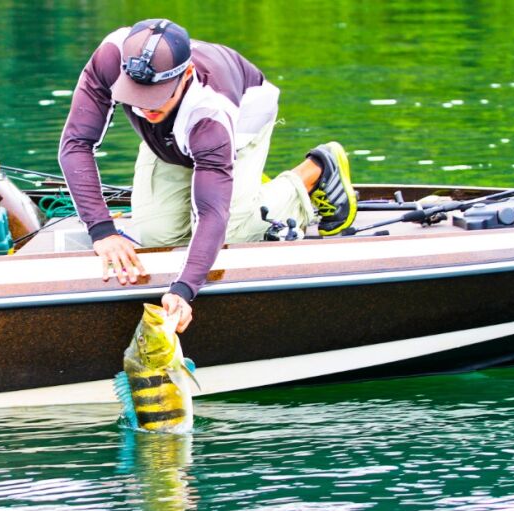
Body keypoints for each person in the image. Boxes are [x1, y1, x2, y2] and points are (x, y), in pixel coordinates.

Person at [58, 19, 355, 332]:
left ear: (185, 75)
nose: (145, 108)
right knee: (156, 237)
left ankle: (316, 170)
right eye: (136, 95)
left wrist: (184, 289)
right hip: (171, 139)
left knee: (231, 235)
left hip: (242, 117)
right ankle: (239, 186)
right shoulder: (111, 57)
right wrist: (102, 231)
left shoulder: (211, 113)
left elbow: (212, 215)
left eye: (155, 97)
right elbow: (75, 144)